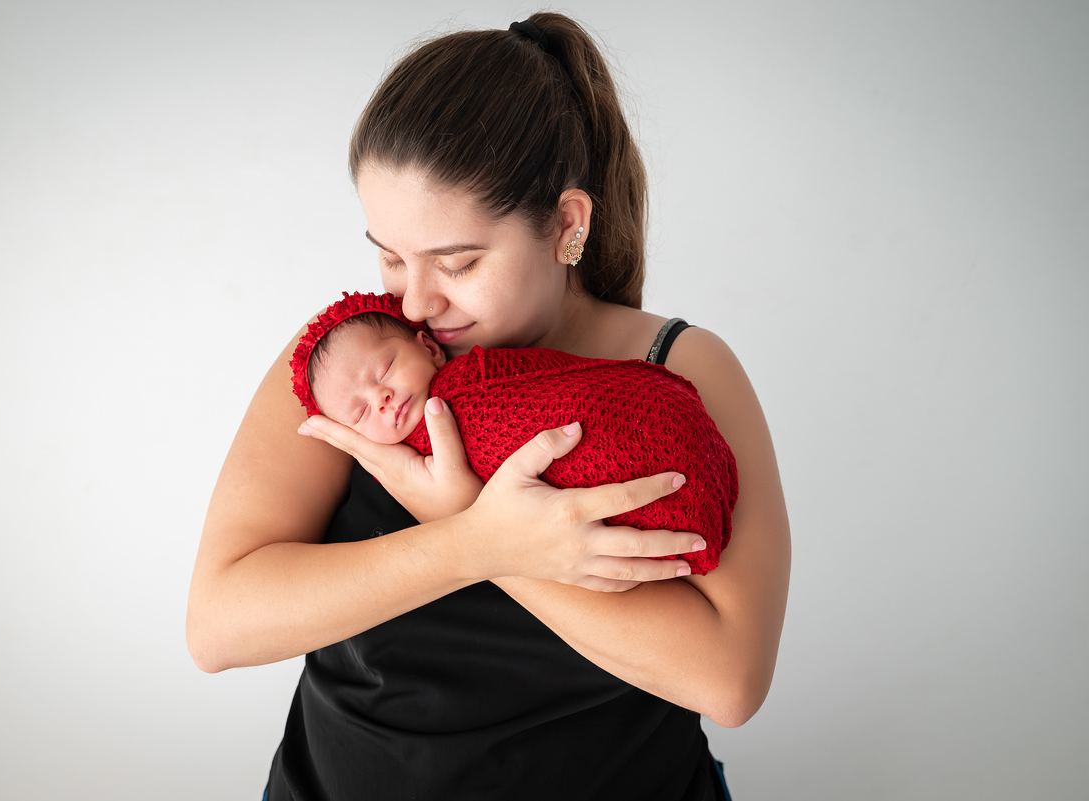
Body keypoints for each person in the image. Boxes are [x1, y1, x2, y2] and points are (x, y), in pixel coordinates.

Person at [187, 12, 790, 801]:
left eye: (458, 263)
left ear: (567, 224)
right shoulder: (355, 359)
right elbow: (218, 625)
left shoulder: (679, 367)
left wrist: (493, 537)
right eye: (390, 256)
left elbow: (730, 680)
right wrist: (470, 541)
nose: (416, 300)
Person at [294, 291, 738, 574]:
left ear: (427, 348)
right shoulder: (331, 354)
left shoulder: (475, 377)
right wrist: (475, 535)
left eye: (386, 369)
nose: (381, 398)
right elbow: (244, 626)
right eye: (360, 413)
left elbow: (729, 686)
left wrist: (473, 527)